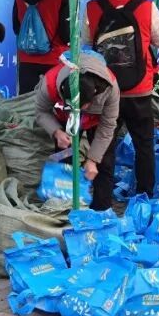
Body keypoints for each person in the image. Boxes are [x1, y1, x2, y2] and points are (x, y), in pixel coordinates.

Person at [86, 0, 159, 202]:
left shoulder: (93, 6)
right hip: (138, 89)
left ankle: (102, 203)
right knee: (144, 146)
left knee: (103, 144)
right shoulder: (146, 6)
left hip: (103, 88)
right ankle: (144, 199)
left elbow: (86, 39)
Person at [34, 53, 120, 211]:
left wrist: (93, 159)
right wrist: (56, 131)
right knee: (65, 157)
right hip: (66, 121)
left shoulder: (110, 88)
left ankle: (101, 210)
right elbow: (41, 111)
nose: (79, 110)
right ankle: (64, 207)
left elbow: (107, 126)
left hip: (98, 121)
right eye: (73, 106)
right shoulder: (50, 82)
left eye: (82, 106)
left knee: (104, 162)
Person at [13, 0, 71, 94]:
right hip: (54, 59)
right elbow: (66, 34)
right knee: (53, 103)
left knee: (26, 102)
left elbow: (16, 27)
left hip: (26, 59)